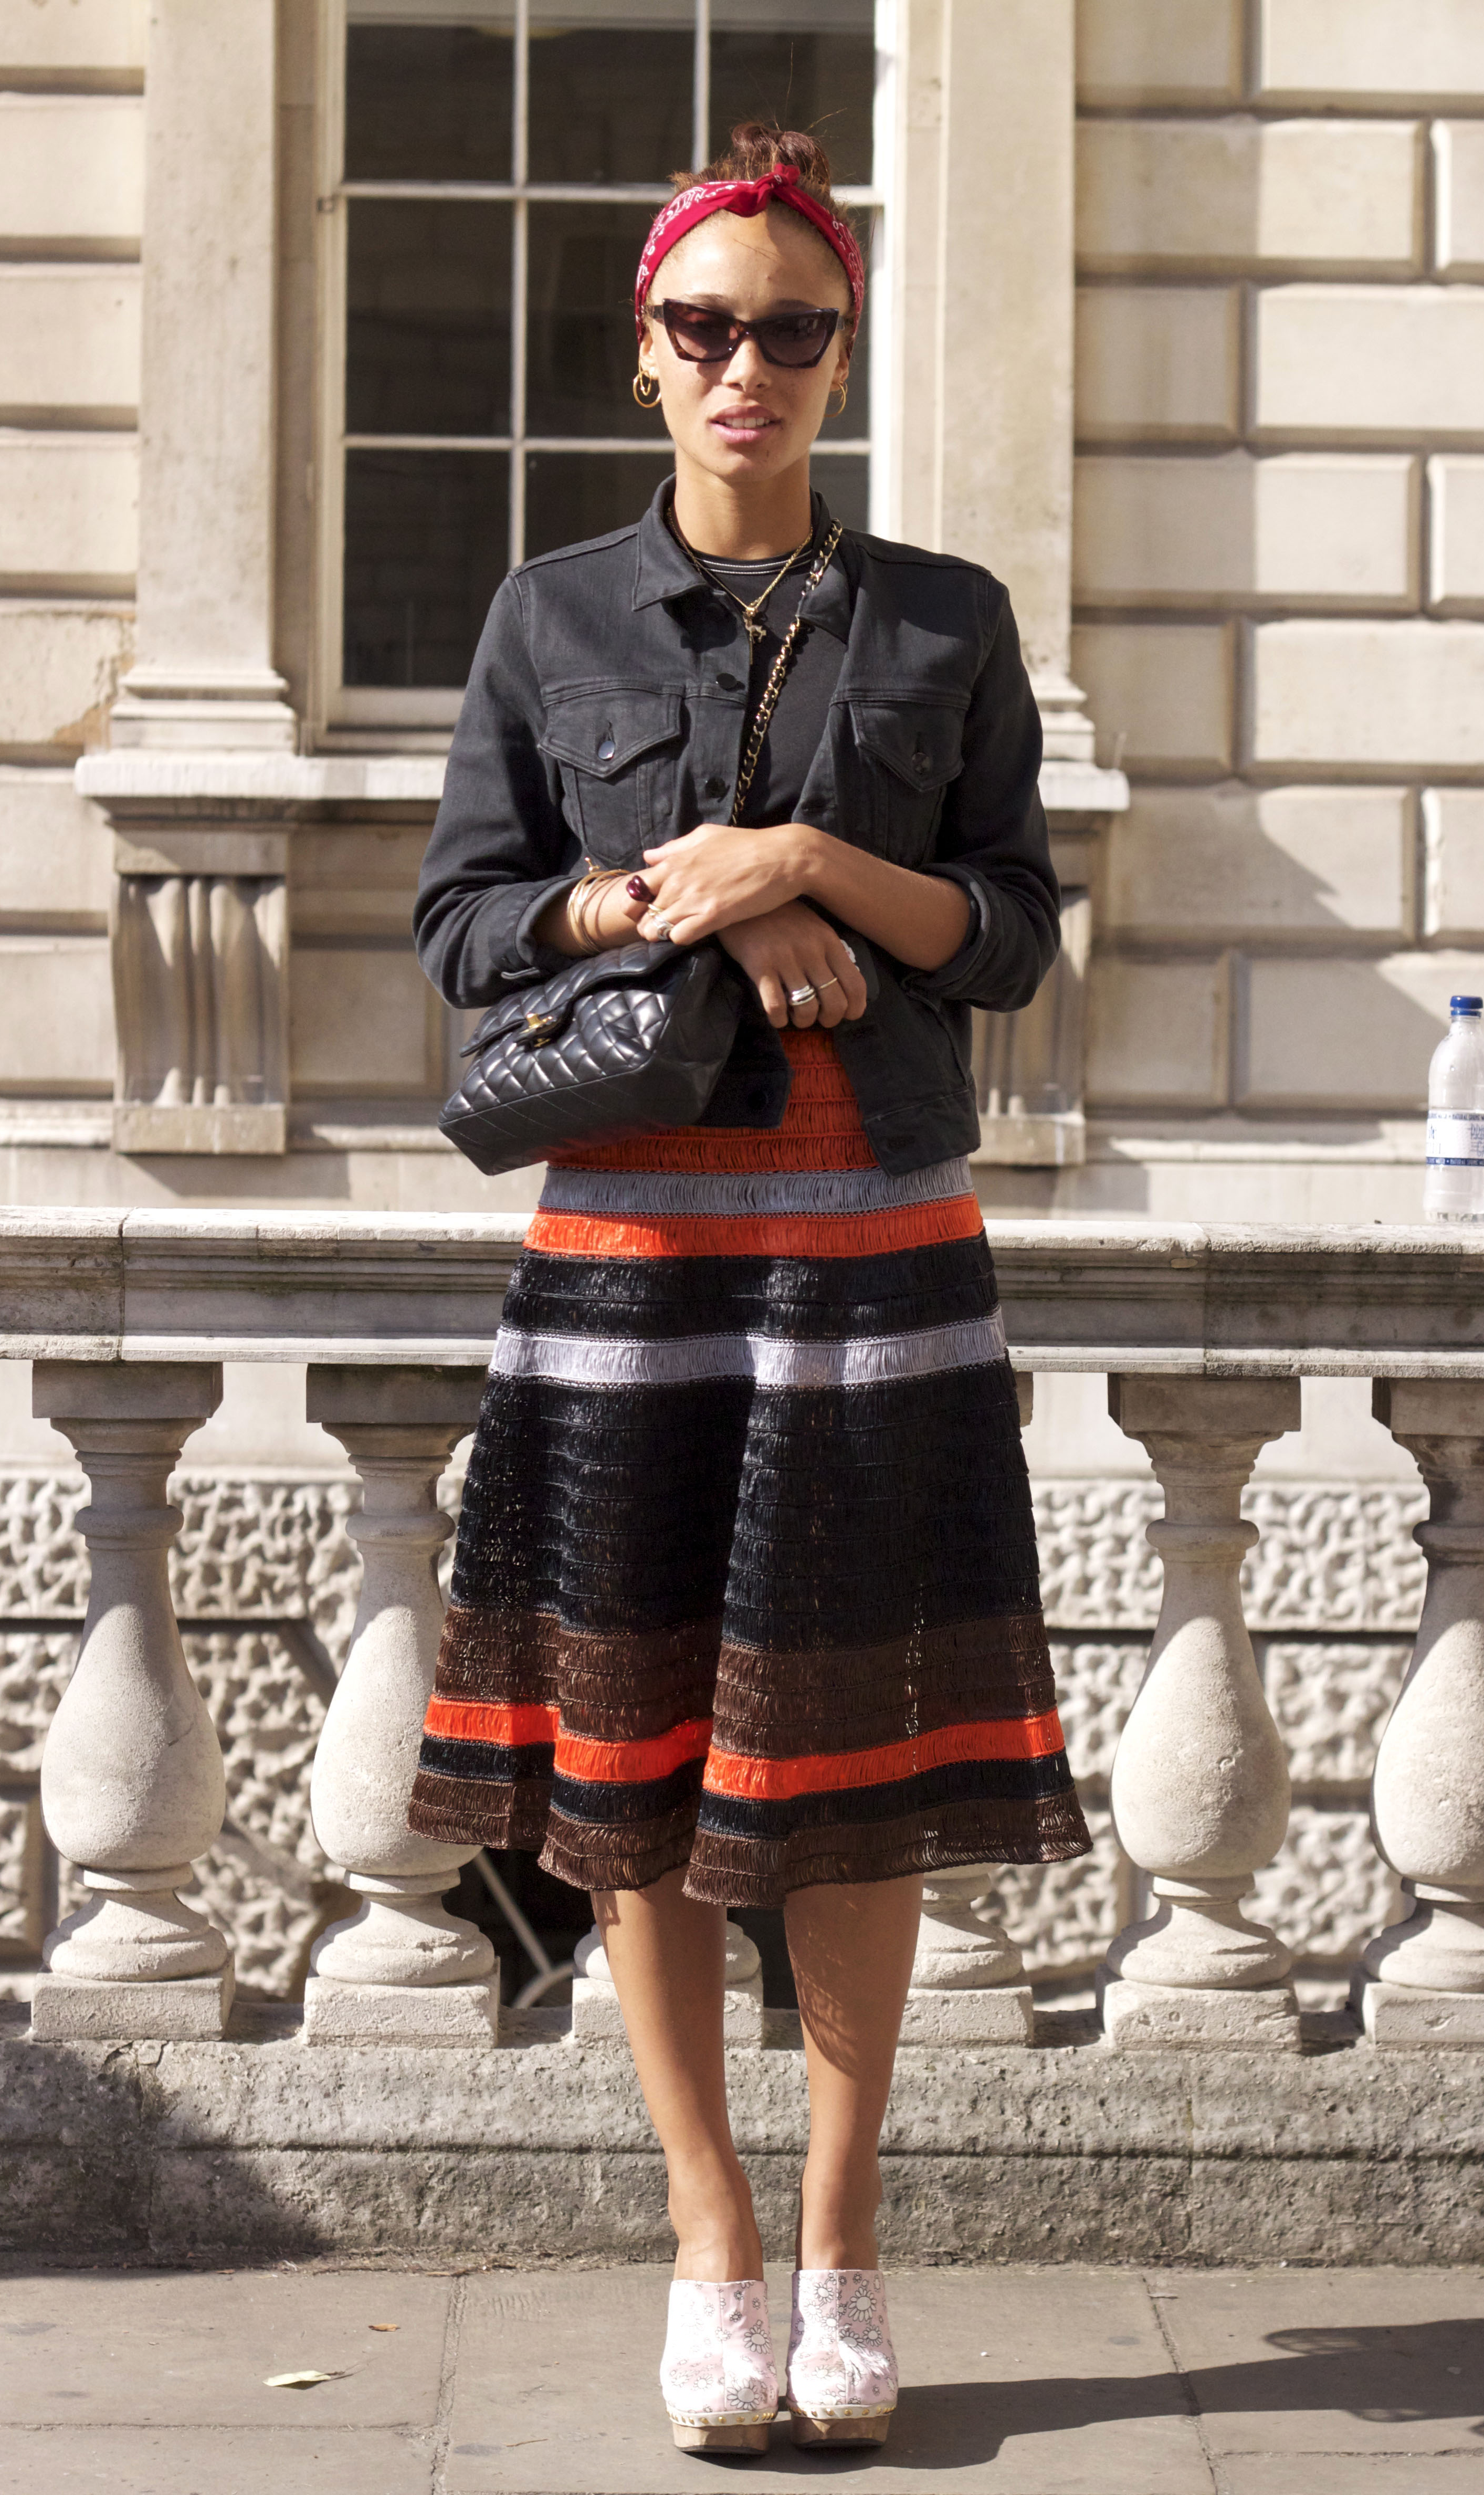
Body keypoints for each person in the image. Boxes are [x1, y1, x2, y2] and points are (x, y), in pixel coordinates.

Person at [408, 122, 1090, 2459]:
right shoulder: (549, 618)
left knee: (853, 1751)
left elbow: (1011, 932)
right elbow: (465, 925)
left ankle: (844, 2238)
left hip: (874, 1239)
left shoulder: (945, 621)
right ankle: (709, 2244)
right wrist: (660, 899)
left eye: (795, 330)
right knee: (636, 1747)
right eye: (707, 326)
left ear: (839, 359)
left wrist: (808, 858)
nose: (748, 366)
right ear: (646, 353)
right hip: (629, 1244)